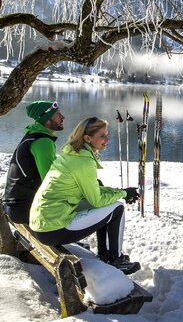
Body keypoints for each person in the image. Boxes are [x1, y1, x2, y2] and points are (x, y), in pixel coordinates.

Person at [29, 116, 141, 275]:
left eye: (106, 134)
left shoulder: (72, 154)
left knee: (111, 204)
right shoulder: (83, 161)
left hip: (42, 223)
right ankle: (115, 259)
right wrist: (123, 194)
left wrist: (121, 191)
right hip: (52, 228)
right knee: (117, 208)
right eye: (102, 136)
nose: (107, 139)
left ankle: (105, 254)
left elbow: (94, 191)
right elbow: (97, 200)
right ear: (87, 138)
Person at [4, 100, 65, 223]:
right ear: (47, 119)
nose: (63, 117)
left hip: (15, 205)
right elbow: (50, 181)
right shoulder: (43, 142)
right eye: (58, 114)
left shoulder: (33, 136)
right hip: (24, 209)